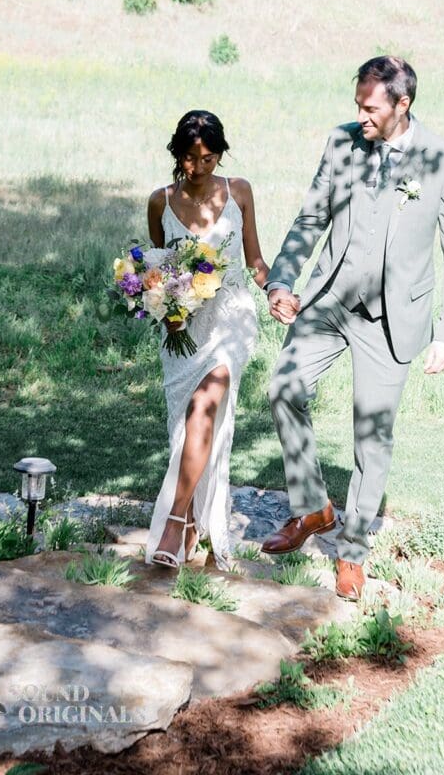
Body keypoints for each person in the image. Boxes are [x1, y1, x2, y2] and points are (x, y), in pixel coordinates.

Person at [261, 56, 444, 599]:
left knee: (371, 436)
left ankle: (352, 551)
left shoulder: (442, 161)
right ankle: (313, 509)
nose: (361, 116)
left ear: (403, 104)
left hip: (391, 320)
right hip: (329, 300)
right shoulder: (342, 143)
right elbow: (311, 218)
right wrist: (281, 281)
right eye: (358, 104)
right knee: (283, 388)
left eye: (371, 107)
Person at [144, 110, 269, 570]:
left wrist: (277, 291)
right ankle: (198, 525)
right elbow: (159, 268)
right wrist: (166, 310)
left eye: (208, 158)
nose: (198, 167)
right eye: (190, 158)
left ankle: (175, 521)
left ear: (220, 155)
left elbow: (255, 261)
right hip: (183, 331)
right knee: (188, 428)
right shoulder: (160, 201)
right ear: (177, 153)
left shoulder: (239, 192)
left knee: (205, 407)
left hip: (232, 319)